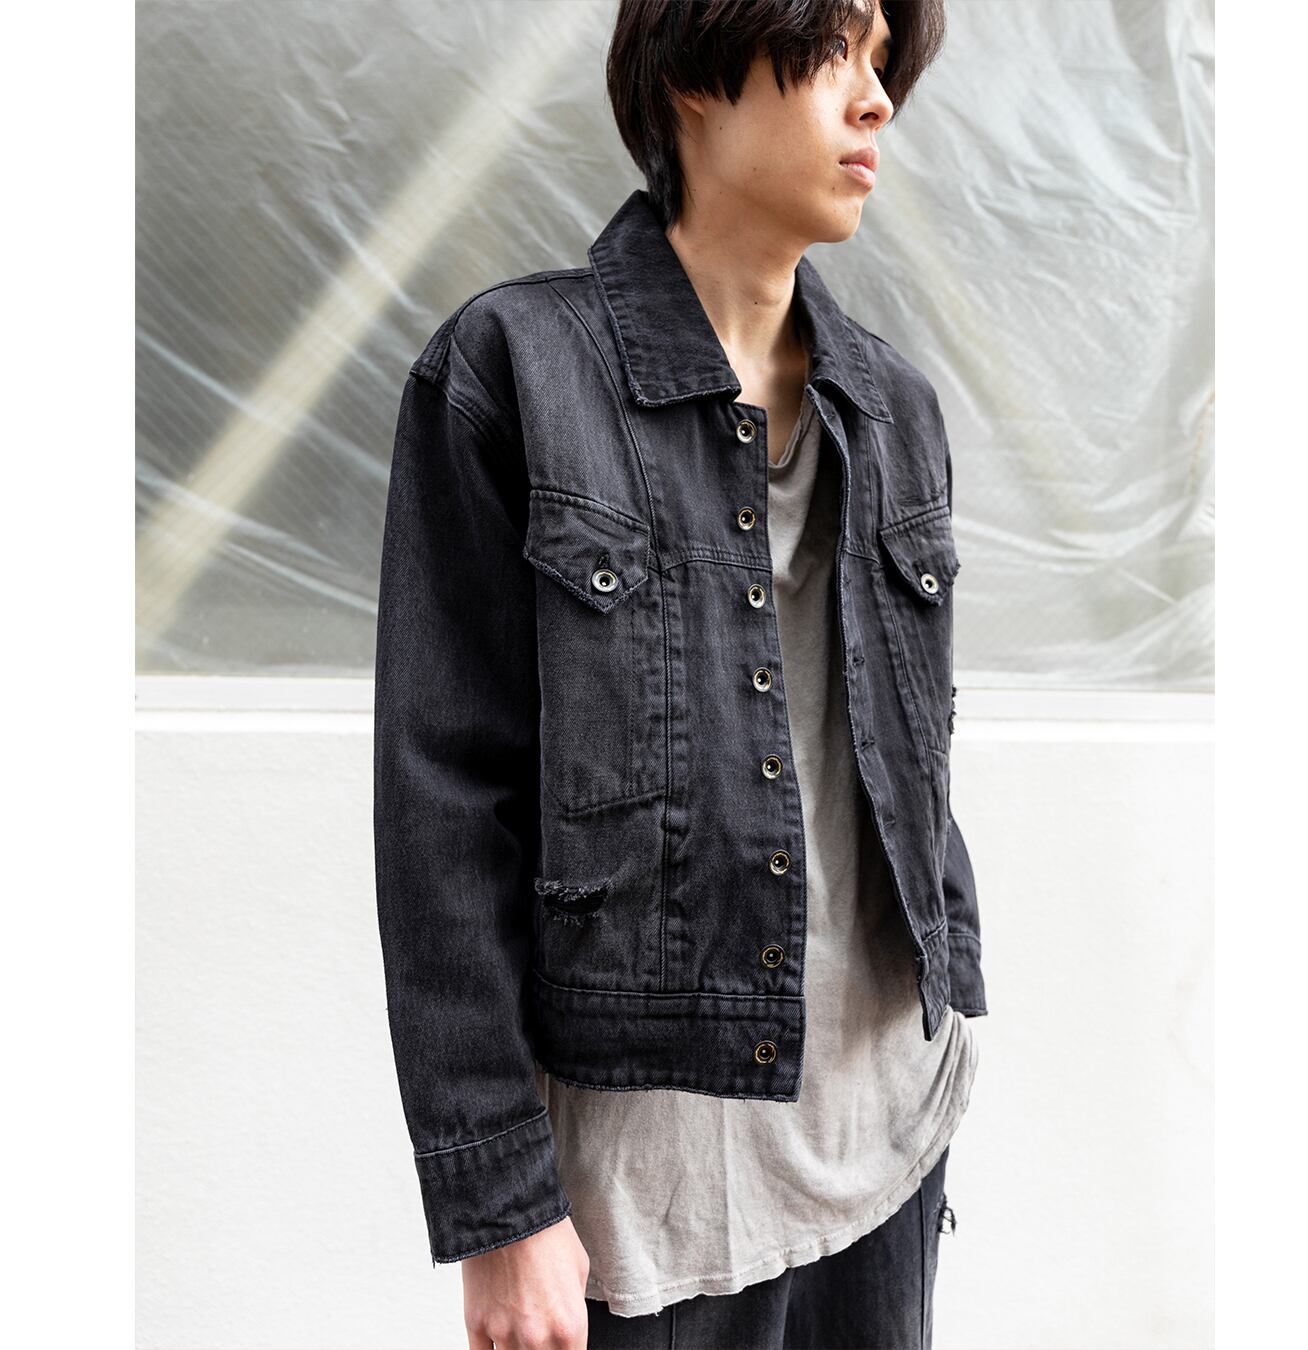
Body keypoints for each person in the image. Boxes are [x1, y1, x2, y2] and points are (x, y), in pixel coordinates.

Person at [373, 2, 987, 1346]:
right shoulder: (516, 371)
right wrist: (498, 1205)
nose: (876, 100)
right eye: (836, 51)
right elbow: (443, 810)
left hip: (882, 1141)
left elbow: (911, 768)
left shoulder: (897, 410)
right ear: (698, 75)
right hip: (642, 1197)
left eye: (885, 63)